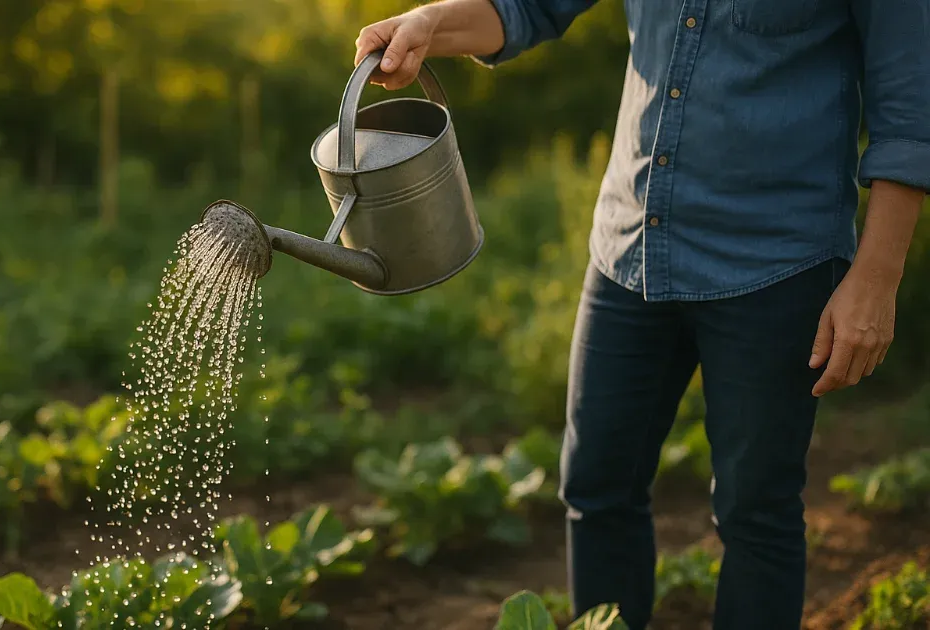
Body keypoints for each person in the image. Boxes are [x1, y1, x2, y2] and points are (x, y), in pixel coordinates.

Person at [353, 1, 929, 629]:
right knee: (596, 489)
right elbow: (526, 7)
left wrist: (877, 276)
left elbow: (911, 112)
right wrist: (429, 24)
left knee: (755, 512)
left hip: (776, 263)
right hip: (631, 247)